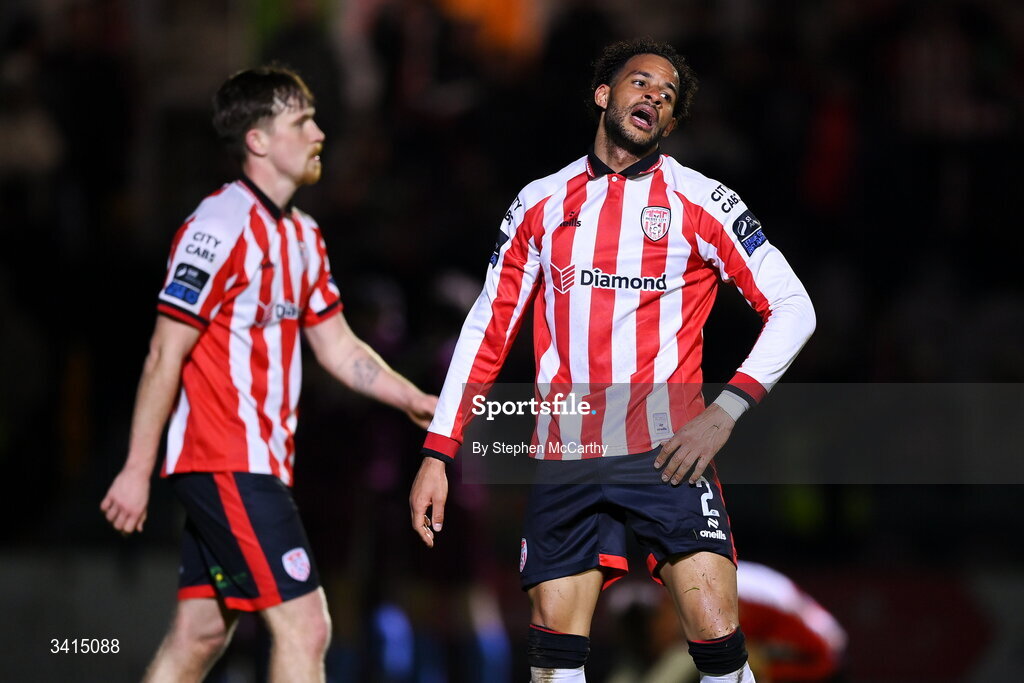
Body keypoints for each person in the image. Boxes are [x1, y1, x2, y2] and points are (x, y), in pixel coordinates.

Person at [410, 38, 815, 683]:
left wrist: (728, 409)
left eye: (668, 96)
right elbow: (487, 326)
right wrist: (439, 451)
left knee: (716, 640)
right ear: (604, 95)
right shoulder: (540, 204)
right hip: (567, 451)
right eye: (641, 82)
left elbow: (796, 307)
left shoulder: (704, 202)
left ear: (672, 123)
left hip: (667, 450)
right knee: (555, 663)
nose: (653, 96)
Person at [100, 66, 437, 683]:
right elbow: (162, 354)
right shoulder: (216, 227)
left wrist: (409, 396)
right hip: (226, 458)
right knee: (306, 628)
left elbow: (337, 346)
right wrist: (134, 469)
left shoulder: (304, 235)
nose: (319, 133)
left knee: (199, 637)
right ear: (257, 140)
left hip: (253, 462)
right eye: (301, 121)